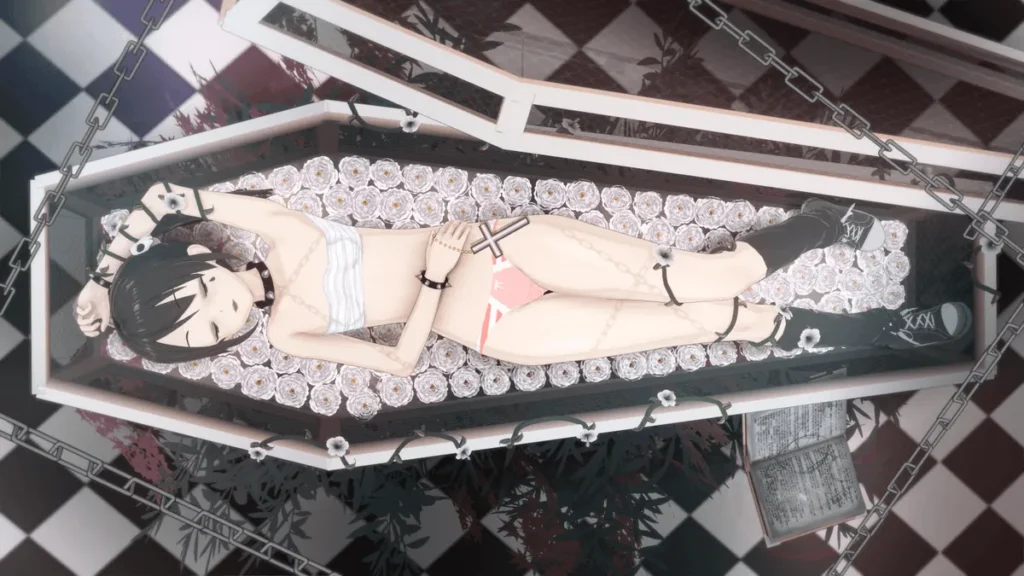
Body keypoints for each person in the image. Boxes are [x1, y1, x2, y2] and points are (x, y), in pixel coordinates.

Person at [74, 182, 971, 377]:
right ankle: (886, 333)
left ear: (200, 263)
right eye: (205, 335)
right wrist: (430, 286)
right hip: (490, 326)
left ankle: (820, 225)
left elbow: (166, 197)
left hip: (504, 251)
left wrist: (106, 277)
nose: (223, 319)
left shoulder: (273, 229)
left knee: (708, 276)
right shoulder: (283, 332)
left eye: (201, 302)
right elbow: (398, 363)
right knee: (713, 322)